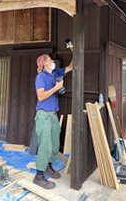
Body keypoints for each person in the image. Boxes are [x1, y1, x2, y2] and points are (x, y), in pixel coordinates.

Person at [33, 49, 73, 189]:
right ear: (44, 64)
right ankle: (38, 176)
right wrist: (56, 87)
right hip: (43, 115)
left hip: (53, 115)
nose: (52, 61)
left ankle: (48, 167)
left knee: (55, 144)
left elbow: (70, 67)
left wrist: (75, 52)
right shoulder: (41, 77)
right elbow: (41, 96)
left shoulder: (55, 74)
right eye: (50, 60)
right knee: (45, 145)